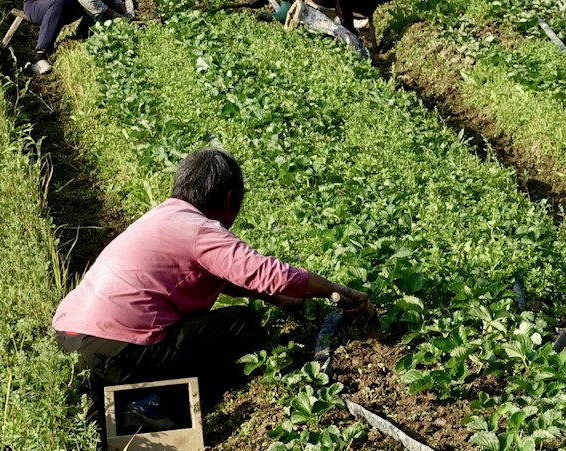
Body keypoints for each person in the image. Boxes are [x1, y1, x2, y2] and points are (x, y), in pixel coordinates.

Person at [53, 147, 373, 408]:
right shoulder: (200, 230)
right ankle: (190, 401)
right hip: (118, 353)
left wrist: (274, 297)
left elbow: (228, 278)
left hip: (70, 342)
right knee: (241, 326)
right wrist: (337, 290)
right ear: (229, 198)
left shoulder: (163, 217)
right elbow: (266, 273)